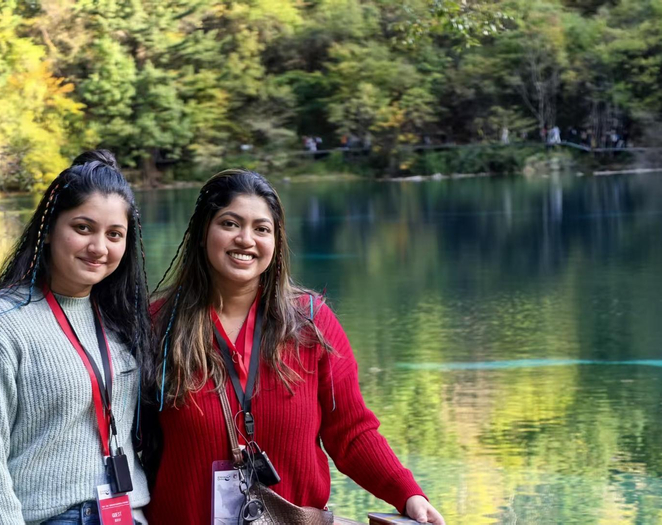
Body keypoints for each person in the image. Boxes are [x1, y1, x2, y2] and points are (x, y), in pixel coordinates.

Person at [143, 169, 445, 524]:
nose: (245, 239)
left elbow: (351, 432)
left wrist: (407, 493)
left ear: (276, 242)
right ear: (202, 232)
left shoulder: (311, 324)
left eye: (261, 229)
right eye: (230, 224)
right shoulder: (158, 325)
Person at [0, 150, 151, 524]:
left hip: (124, 513)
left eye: (114, 234)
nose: (99, 247)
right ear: (48, 229)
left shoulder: (120, 316)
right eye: (83, 228)